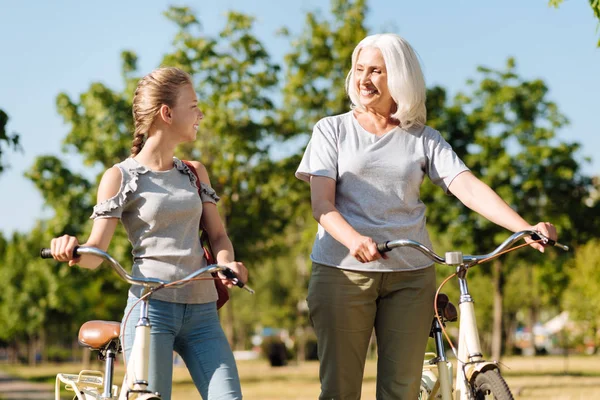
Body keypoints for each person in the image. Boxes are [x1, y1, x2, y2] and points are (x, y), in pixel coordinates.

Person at [295, 33, 557, 400]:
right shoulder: (332, 130)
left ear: (399, 77)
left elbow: (466, 186)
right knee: (340, 390)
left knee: (401, 392)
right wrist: (354, 240)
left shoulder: (423, 137)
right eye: (359, 69)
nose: (364, 79)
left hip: (411, 277)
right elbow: (322, 205)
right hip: (344, 273)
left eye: (376, 71)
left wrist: (523, 227)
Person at [49, 67, 247, 400]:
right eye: (193, 106)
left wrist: (227, 263)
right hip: (149, 312)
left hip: (202, 313)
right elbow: (96, 252)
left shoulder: (195, 173)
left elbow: (218, 236)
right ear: (166, 113)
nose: (201, 114)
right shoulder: (121, 177)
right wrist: (69, 248)